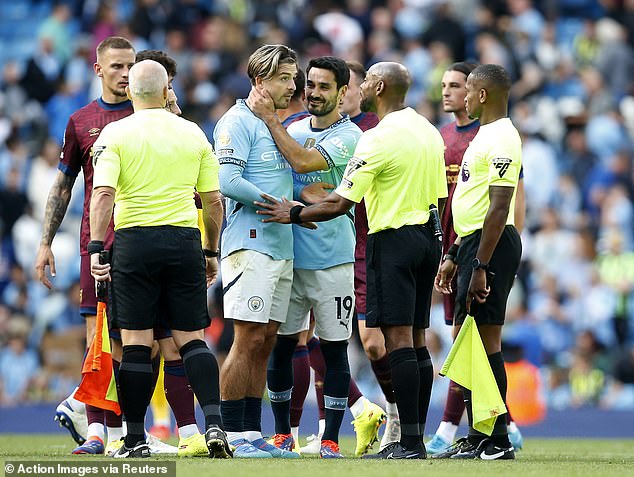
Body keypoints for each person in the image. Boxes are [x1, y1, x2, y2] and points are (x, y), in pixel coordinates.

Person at [256, 62, 447, 460]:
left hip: (391, 239)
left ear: (375, 86)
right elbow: (441, 195)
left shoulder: (373, 139)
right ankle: (413, 437)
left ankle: (408, 442)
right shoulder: (428, 130)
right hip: (428, 237)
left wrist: (292, 213)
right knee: (416, 340)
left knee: (395, 342)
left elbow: (342, 202)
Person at [89, 59, 230, 459]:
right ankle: (215, 426)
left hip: (134, 242)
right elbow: (213, 201)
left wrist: (98, 248)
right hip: (184, 239)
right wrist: (210, 251)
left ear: (131, 91)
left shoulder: (116, 134)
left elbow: (103, 195)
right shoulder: (193, 133)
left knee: (135, 344)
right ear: (167, 89)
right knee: (192, 341)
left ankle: (135, 438)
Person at [249, 56, 384, 458]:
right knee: (283, 346)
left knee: (334, 349)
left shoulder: (350, 137)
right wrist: (304, 193)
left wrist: (271, 120)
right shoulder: (293, 128)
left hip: (333, 260)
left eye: (325, 87)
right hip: (289, 257)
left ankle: (329, 440)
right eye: (310, 84)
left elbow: (305, 163)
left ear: (344, 93)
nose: (314, 93)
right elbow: (285, 177)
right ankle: (281, 435)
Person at [34, 36, 136, 455]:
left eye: (131, 65)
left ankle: (126, 429)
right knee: (98, 338)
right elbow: (63, 186)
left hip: (142, 241)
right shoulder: (81, 121)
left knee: (137, 342)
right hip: (96, 245)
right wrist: (45, 244)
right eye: (116, 66)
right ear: (98, 69)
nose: (125, 73)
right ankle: (97, 430)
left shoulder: (150, 114)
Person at [426, 62, 525, 455]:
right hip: (471, 244)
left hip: (492, 247)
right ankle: (481, 434)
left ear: (482, 95)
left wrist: (481, 265)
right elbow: (470, 202)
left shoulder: (503, 137)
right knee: (472, 345)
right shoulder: (486, 134)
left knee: (486, 344)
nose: (463, 96)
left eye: (467, 88)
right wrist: (454, 253)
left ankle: (497, 438)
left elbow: (500, 207)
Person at [213, 44, 299, 459]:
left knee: (266, 339)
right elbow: (227, 180)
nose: (292, 85)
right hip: (249, 244)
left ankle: (251, 430)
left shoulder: (276, 123)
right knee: (246, 338)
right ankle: (231, 433)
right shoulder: (236, 121)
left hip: (280, 245)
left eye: (293, 77)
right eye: (284, 77)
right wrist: (274, 204)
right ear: (258, 81)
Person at [343, 60, 400, 451]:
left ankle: (395, 413)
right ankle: (339, 424)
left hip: (367, 246)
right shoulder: (309, 130)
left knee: (375, 343)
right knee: (307, 338)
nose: (343, 93)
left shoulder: (376, 131)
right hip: (324, 247)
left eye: (347, 86)